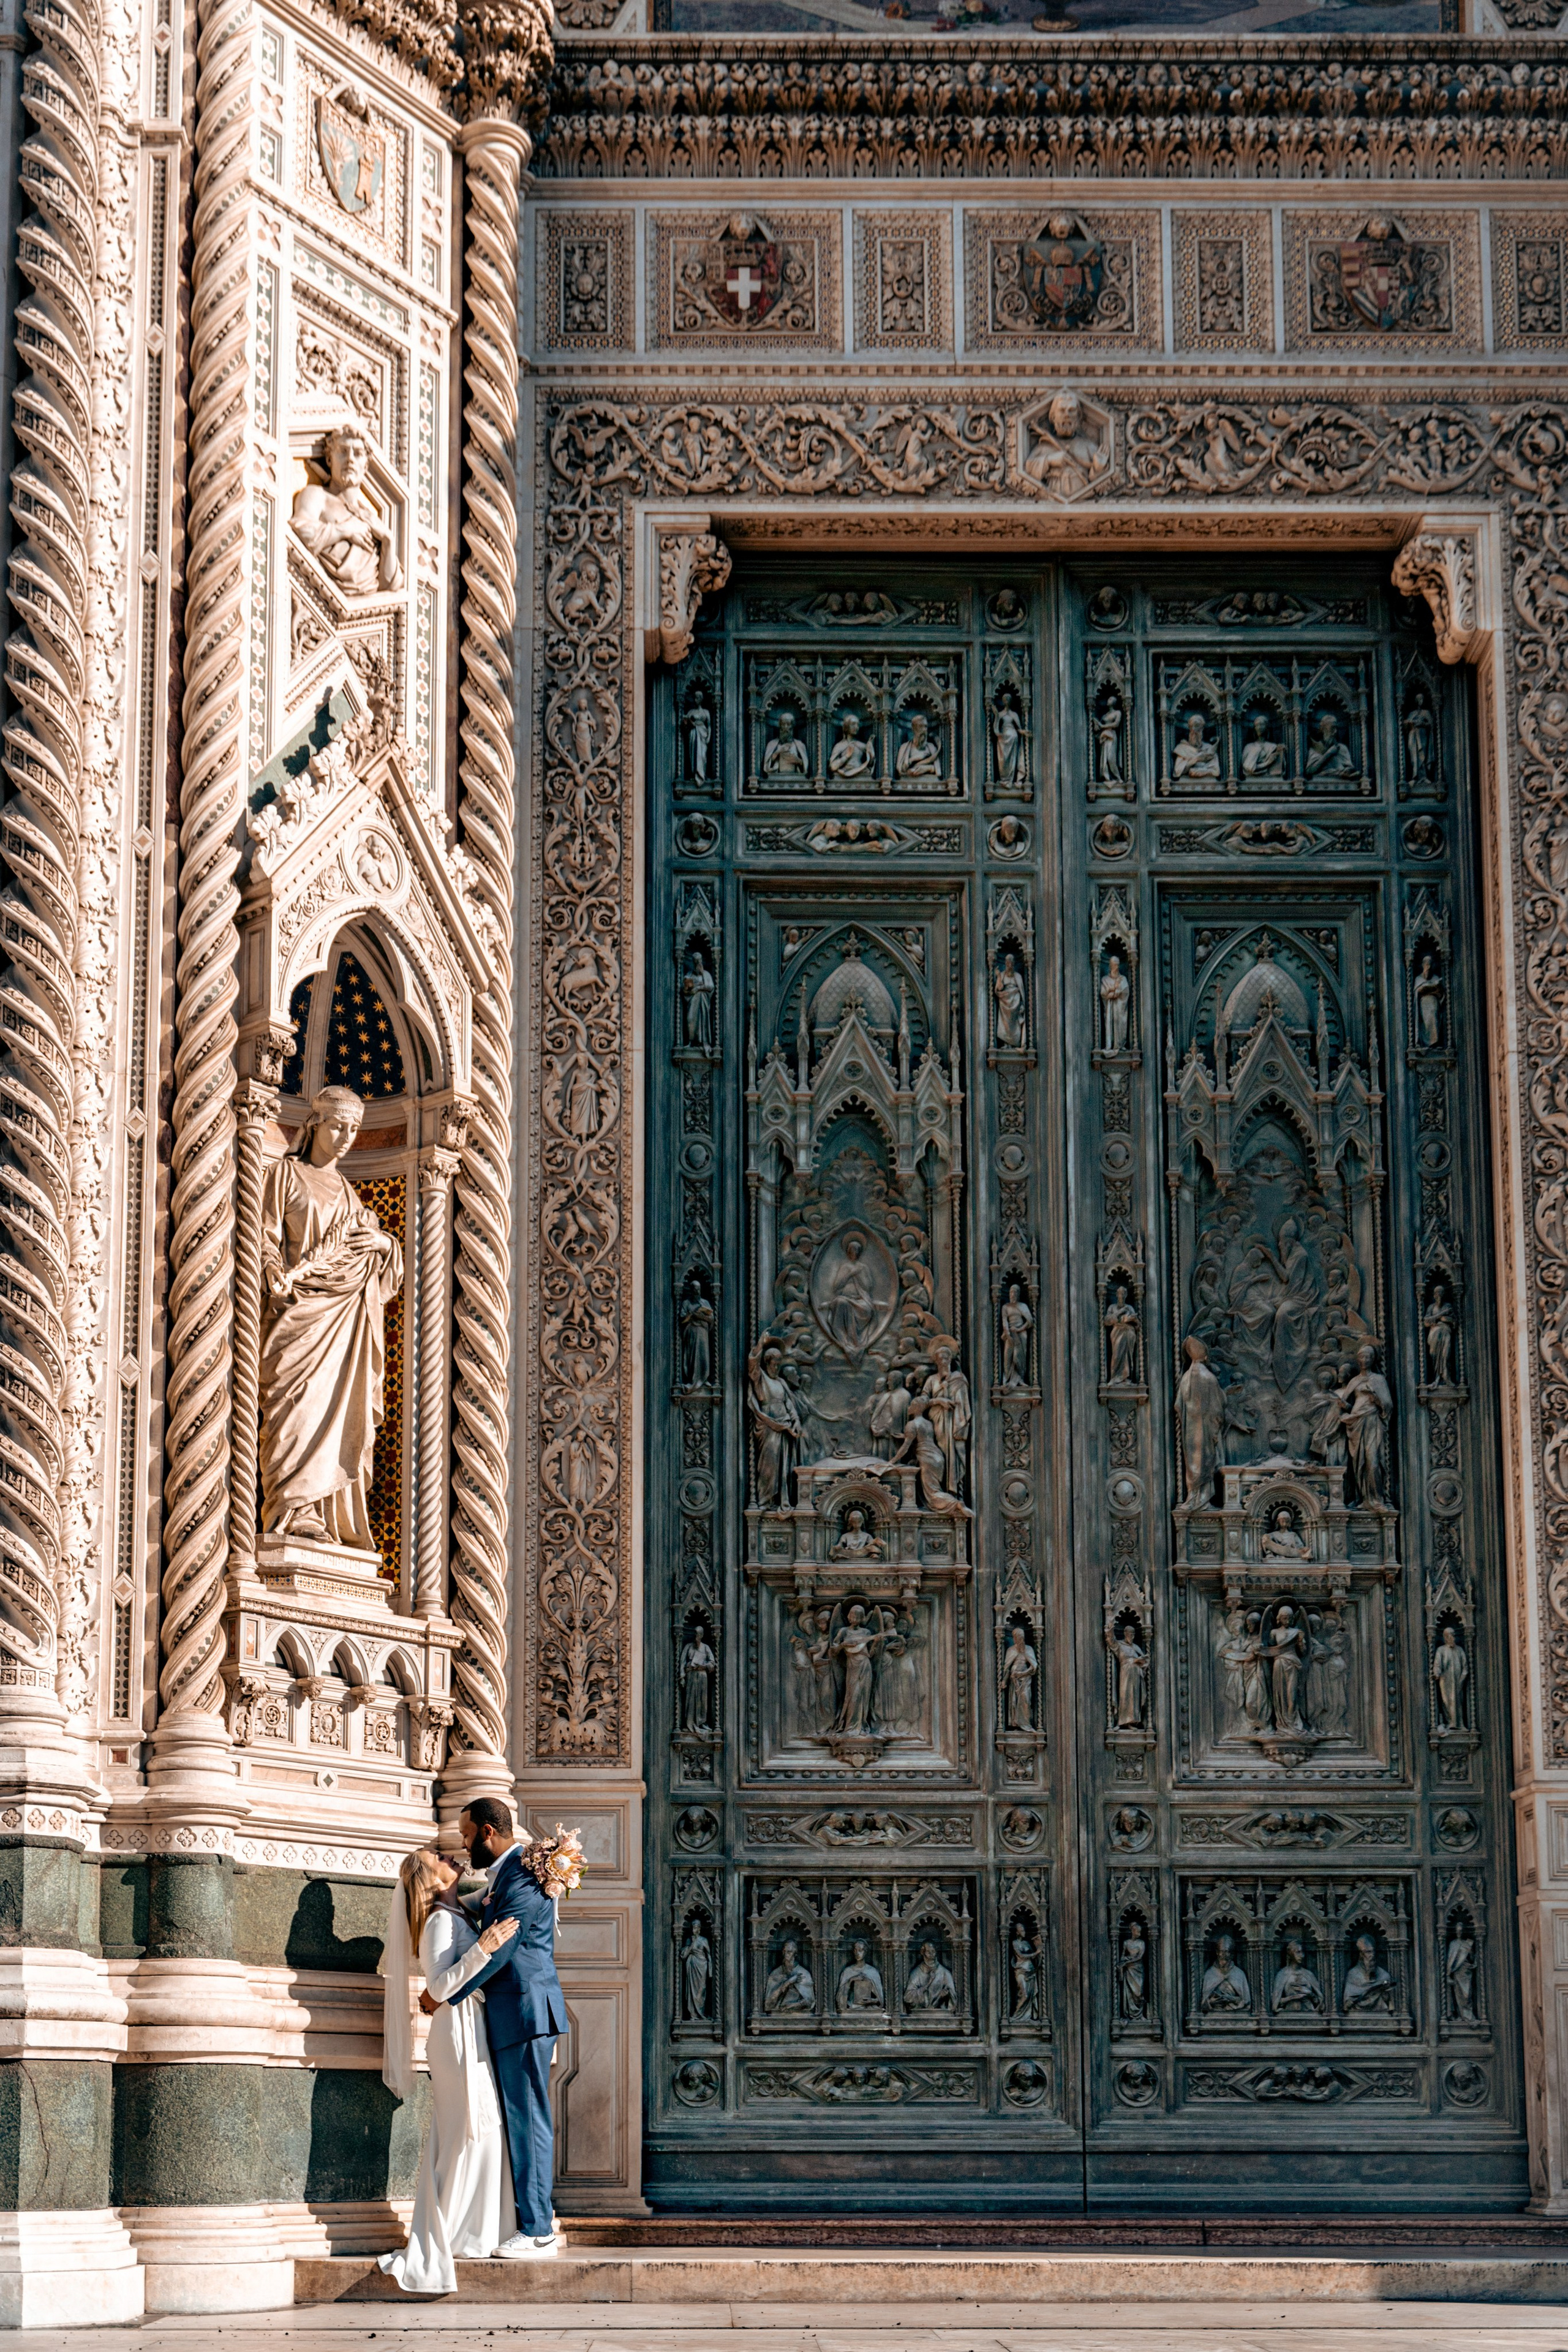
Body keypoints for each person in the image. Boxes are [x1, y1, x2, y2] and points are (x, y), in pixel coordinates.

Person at [258, 1085, 402, 1548]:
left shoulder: (350, 1195)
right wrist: (272, 1271)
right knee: (296, 1408)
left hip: (343, 1323)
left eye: (356, 1129)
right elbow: (264, 1234)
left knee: (337, 1412)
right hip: (298, 1317)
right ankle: (291, 1507)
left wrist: (384, 1246)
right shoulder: (286, 1174)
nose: (345, 1137)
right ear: (315, 1123)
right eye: (338, 1126)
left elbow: (378, 1259)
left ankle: (324, 1516)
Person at [378, 1847, 520, 2291]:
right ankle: (458, 2233)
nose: (451, 1854)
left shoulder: (455, 1909)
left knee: (479, 2127)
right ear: (433, 1877)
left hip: (470, 2028)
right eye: (440, 1856)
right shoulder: (439, 1920)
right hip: (455, 2033)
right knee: (469, 2130)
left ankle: (473, 2231)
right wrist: (483, 1949)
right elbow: (438, 1987)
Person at [445, 1800, 568, 2258]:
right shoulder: (511, 1872)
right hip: (516, 2011)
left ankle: (538, 2230)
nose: (462, 1842)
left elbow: (500, 1948)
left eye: (466, 1833)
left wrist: (444, 1993)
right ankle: (531, 2221)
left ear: (488, 1832)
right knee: (520, 2117)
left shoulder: (522, 1875)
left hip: (524, 2009)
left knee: (527, 2118)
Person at [291, 423, 401, 594]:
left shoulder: (370, 519)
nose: (350, 459)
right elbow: (302, 532)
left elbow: (390, 585)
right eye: (343, 451)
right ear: (329, 459)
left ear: (365, 466)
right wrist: (345, 530)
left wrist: (388, 541)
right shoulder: (317, 495)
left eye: (357, 454)